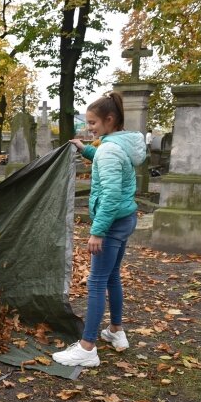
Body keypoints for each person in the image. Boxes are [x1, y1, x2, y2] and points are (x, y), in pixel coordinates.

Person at [52, 92, 146, 368]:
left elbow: (111, 195)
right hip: (126, 218)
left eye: (93, 123)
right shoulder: (120, 144)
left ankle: (87, 347)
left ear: (110, 119)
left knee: (95, 282)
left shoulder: (108, 150)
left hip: (112, 223)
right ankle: (116, 331)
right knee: (112, 277)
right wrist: (85, 148)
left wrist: (98, 231)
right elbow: (108, 157)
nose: (90, 127)